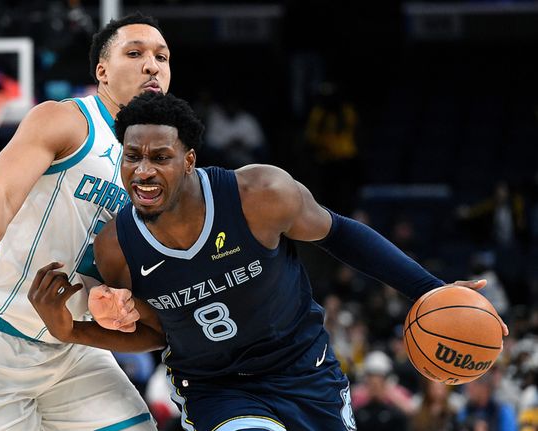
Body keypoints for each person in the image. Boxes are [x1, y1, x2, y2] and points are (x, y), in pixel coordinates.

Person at [29, 92, 508, 431]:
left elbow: (341, 234)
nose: (143, 170)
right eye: (132, 156)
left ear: (189, 160)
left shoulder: (259, 195)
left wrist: (429, 289)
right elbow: (156, 333)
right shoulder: (117, 247)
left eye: (160, 156)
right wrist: (72, 330)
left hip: (303, 370)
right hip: (216, 388)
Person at [0, 13, 171, 430]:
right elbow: (1, 193)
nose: (152, 66)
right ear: (102, 71)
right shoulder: (67, 121)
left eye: (162, 57)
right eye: (135, 53)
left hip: (69, 345)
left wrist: (122, 304)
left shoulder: (162, 164)